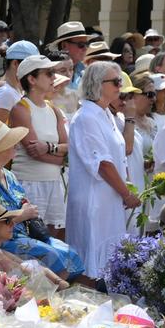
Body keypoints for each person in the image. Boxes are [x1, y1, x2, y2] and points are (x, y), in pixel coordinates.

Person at [0, 119, 87, 280]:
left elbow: (22, 200)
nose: (17, 146)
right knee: (53, 255)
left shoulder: (8, 174)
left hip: (19, 234)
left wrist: (27, 209)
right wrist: (23, 214)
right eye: (12, 143)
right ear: (0, 150)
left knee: (69, 253)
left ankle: (52, 295)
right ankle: (48, 295)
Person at [65, 61, 134, 280]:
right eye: (115, 81)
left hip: (109, 198)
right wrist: (126, 193)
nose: (120, 85)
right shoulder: (86, 117)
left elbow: (119, 155)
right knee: (91, 261)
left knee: (108, 260)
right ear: (97, 84)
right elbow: (102, 164)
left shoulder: (105, 114)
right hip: (93, 198)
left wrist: (125, 187)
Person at [7, 54, 67, 237]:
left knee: (54, 234)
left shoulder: (54, 109)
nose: (54, 77)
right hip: (29, 182)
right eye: (49, 73)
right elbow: (34, 152)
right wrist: (61, 158)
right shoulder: (20, 109)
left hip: (54, 181)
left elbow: (68, 146)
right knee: (31, 236)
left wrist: (49, 148)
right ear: (31, 79)